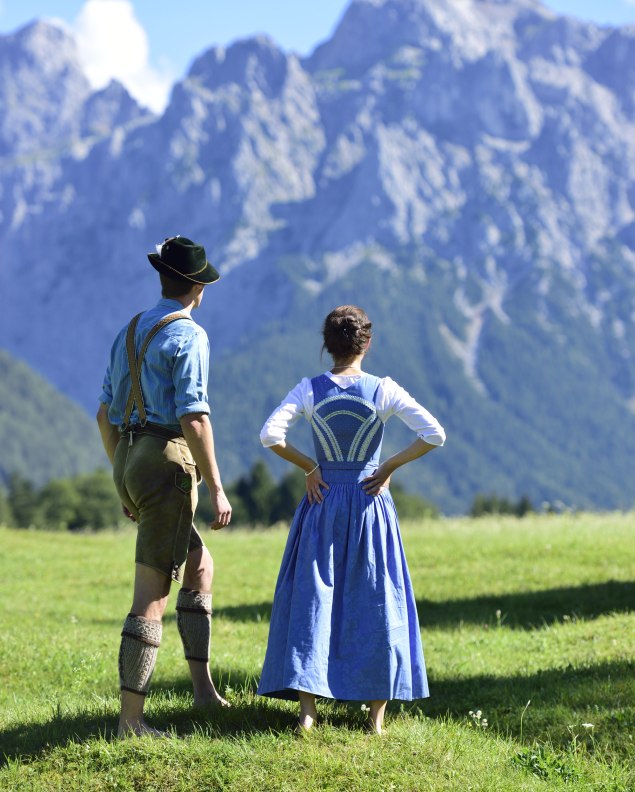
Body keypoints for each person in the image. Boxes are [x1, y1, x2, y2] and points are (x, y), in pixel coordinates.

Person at [256, 305, 446, 735]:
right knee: (375, 595)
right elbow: (434, 434)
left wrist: (310, 466)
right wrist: (389, 466)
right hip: (368, 501)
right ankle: (376, 719)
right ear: (367, 342)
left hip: (322, 502)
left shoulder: (308, 389)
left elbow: (270, 435)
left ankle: (307, 712)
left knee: (313, 597)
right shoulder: (383, 390)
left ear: (327, 344)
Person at [96, 235, 232, 738]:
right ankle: (131, 722)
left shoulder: (130, 330)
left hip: (129, 455)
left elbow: (104, 413)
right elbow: (193, 416)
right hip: (167, 460)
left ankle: (202, 693)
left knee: (199, 567)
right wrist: (217, 487)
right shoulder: (189, 336)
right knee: (151, 595)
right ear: (197, 287)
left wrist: (125, 477)